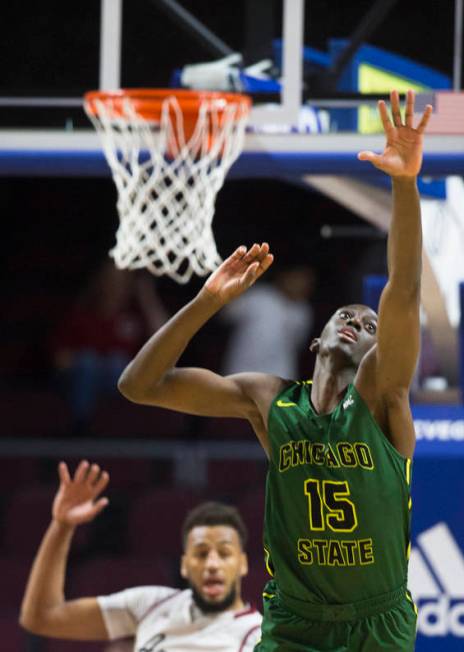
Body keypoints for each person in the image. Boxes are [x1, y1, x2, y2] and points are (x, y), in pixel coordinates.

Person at [116, 89, 431, 651]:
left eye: (371, 325)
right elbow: (138, 386)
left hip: (376, 624)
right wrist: (208, 301)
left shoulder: (384, 398)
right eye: (347, 315)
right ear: (316, 337)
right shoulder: (269, 399)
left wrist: (404, 186)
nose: (360, 322)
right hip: (295, 621)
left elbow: (403, 292)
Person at [19, 460, 262, 650]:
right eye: (200, 554)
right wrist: (61, 527)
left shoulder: (260, 636)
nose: (212, 564)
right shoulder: (151, 604)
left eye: (224, 553)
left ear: (242, 563)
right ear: (184, 565)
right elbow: (42, 617)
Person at [51, 263, 167, 432]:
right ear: (100, 282)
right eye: (111, 280)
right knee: (88, 362)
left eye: (122, 281)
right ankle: (81, 427)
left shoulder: (134, 316)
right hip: (84, 380)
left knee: (119, 364)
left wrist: (147, 297)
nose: (115, 286)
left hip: (122, 381)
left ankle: (124, 427)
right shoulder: (82, 315)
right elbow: (59, 359)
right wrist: (91, 364)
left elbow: (167, 342)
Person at [222, 265, 316, 380]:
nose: (300, 285)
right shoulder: (259, 296)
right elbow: (226, 313)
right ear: (285, 277)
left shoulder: (303, 312)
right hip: (241, 371)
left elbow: (298, 345)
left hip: (279, 376)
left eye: (305, 282)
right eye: (296, 279)